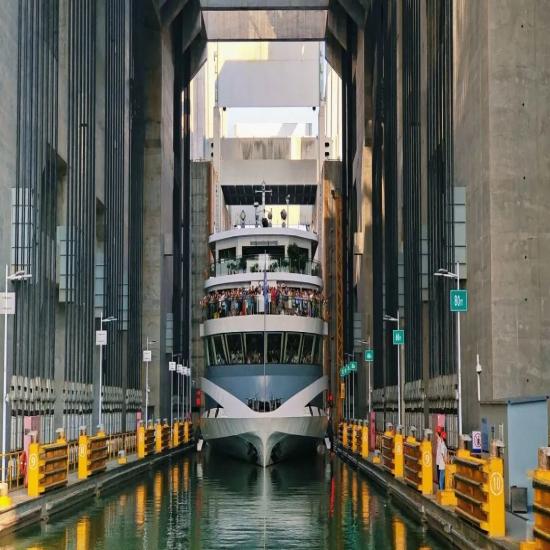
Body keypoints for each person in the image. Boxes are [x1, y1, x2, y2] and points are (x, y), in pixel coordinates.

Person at [436, 426, 448, 490]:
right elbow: (444, 455)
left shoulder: (442, 444)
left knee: (441, 478)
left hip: (442, 464)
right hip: (442, 464)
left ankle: (441, 489)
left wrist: (446, 462)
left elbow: (443, 455)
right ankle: (441, 489)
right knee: (441, 478)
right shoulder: (442, 444)